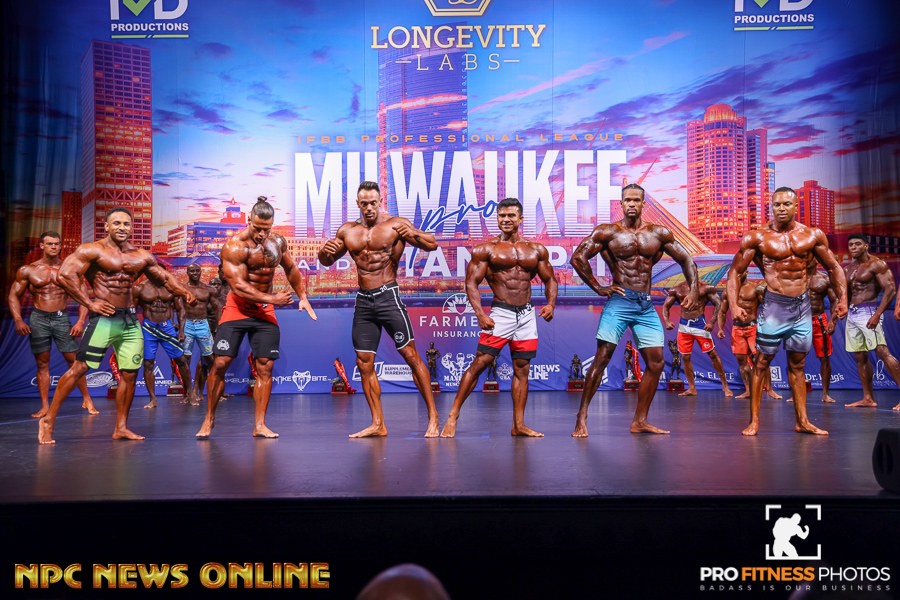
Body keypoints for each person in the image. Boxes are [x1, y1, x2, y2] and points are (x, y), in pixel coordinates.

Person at [38, 207, 196, 444]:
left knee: (130, 374)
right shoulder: (92, 250)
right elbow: (65, 275)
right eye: (117, 223)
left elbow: (164, 278)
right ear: (107, 226)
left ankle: (121, 427)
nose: (122, 228)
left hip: (130, 320)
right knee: (80, 368)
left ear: (131, 228)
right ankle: (48, 420)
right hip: (104, 319)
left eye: (126, 224)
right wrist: (89, 303)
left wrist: (183, 291)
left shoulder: (140, 255)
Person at [571, 183, 700, 436]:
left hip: (644, 305)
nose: (632, 204)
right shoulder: (608, 232)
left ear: (643, 204)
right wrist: (598, 287)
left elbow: (686, 259)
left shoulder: (658, 233)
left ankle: (640, 420)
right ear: (621, 204)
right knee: (603, 356)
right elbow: (578, 257)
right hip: (620, 301)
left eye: (636, 200)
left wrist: (694, 290)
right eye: (627, 200)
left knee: (656, 362)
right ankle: (582, 416)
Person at [319, 181, 440, 438]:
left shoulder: (395, 225)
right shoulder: (348, 231)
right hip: (364, 301)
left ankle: (433, 417)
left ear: (380, 201)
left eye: (373, 202)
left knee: (410, 355)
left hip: (388, 297)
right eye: (364, 203)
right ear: (358, 204)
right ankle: (378, 423)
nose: (369, 207)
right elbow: (327, 261)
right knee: (364, 362)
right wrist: (323, 254)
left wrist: (413, 233)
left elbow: (432, 245)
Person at [726, 187, 847, 436]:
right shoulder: (758, 237)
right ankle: (754, 421)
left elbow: (834, 267)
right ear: (771, 207)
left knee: (798, 365)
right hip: (774, 306)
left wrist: (843, 298)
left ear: (795, 206)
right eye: (777, 204)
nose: (781, 209)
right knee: (762, 362)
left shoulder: (812, 235)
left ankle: (803, 421)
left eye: (787, 204)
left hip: (802, 307)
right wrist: (734, 305)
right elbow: (735, 272)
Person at [196, 196, 317, 439]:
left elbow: (291, 268)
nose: (262, 234)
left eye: (267, 229)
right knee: (220, 363)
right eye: (258, 228)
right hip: (238, 307)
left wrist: (302, 295)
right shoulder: (234, 247)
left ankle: (260, 425)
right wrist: (273, 299)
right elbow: (239, 287)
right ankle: (209, 419)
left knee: (265, 366)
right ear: (249, 221)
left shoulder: (276, 243)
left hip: (263, 310)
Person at [439, 197, 558, 438]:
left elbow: (550, 280)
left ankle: (518, 425)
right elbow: (471, 283)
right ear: (497, 218)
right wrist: (480, 314)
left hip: (526, 315)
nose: (506, 219)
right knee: (481, 362)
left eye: (511, 215)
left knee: (522, 368)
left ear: (520, 219)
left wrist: (550, 304)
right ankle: (453, 416)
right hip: (501, 313)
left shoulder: (536, 250)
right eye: (502, 216)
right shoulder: (486, 250)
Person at [9, 231, 98, 418]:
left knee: (75, 361)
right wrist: (17, 319)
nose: (54, 247)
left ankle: (87, 399)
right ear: (42, 246)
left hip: (61, 318)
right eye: (49, 244)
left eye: (57, 244)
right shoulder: (28, 270)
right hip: (38, 318)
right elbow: (13, 295)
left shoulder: (68, 270)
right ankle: (45, 406)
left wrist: (80, 321)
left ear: (60, 246)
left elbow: (83, 297)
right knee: (42, 363)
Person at [843, 234, 900, 409]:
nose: (853, 247)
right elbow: (845, 295)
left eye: (857, 244)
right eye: (851, 245)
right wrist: (836, 316)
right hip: (852, 313)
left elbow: (890, 289)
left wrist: (877, 314)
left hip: (869, 310)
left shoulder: (876, 264)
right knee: (860, 356)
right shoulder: (848, 268)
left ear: (866, 246)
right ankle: (868, 398)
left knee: (882, 351)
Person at [662, 280, 733, 397]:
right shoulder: (677, 289)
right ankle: (692, 388)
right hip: (684, 326)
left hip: (700, 325)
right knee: (685, 357)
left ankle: (725, 386)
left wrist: (712, 322)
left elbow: (718, 304)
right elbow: (666, 306)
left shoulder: (706, 288)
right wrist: (667, 321)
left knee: (712, 354)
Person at [718, 272, 782, 400]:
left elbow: (768, 308)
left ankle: (769, 390)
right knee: (741, 360)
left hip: (753, 328)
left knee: (761, 359)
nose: (737, 275)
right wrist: (720, 328)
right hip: (737, 329)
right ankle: (748, 390)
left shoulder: (755, 289)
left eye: (740, 271)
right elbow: (722, 312)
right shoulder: (728, 292)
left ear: (746, 272)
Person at [133, 272, 192, 409]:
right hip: (149, 328)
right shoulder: (140, 288)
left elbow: (181, 309)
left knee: (181, 360)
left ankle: (189, 393)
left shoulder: (171, 288)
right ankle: (152, 399)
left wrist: (181, 330)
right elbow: (132, 310)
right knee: (148, 364)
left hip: (167, 327)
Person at [784, 266, 840, 404]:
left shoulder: (824, 279)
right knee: (794, 359)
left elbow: (835, 300)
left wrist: (833, 320)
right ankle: (795, 393)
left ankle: (825, 394)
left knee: (825, 358)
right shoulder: (794, 278)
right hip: (798, 322)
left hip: (819, 320)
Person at [180, 262, 220, 405]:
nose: (195, 273)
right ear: (187, 272)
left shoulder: (208, 289)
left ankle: (215, 390)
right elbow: (179, 309)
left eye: (197, 271)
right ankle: (188, 393)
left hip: (203, 324)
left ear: (201, 272)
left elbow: (216, 308)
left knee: (210, 358)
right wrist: (180, 328)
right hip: (188, 324)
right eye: (192, 271)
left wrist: (221, 325)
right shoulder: (182, 288)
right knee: (185, 359)